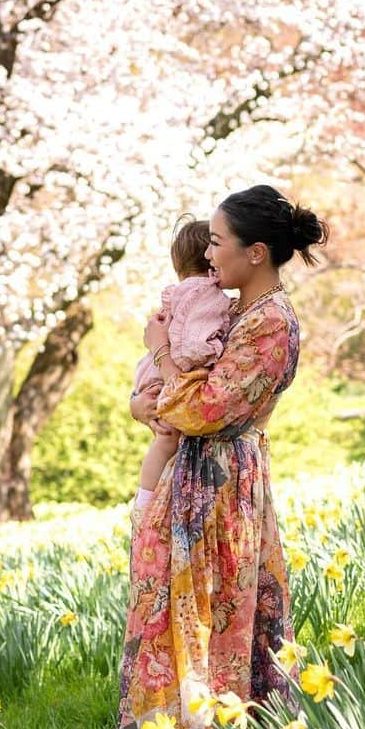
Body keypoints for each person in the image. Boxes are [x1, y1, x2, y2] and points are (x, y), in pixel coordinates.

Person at [116, 183, 329, 729]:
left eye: (216, 242)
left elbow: (204, 407)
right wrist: (147, 400)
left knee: (217, 623)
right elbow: (164, 405)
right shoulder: (232, 310)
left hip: (223, 490)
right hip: (195, 482)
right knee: (186, 622)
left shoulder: (271, 325)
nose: (207, 255)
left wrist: (158, 352)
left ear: (256, 252)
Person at [129, 216, 232, 534]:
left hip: (153, 372)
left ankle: (144, 500)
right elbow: (193, 345)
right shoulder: (206, 294)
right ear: (210, 259)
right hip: (171, 373)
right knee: (166, 438)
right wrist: (211, 357)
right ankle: (144, 502)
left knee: (164, 439)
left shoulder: (180, 292)